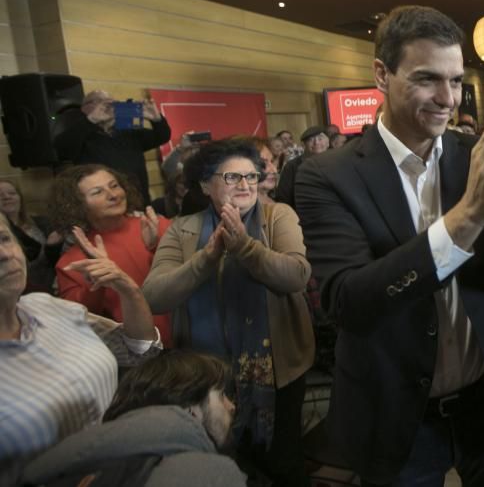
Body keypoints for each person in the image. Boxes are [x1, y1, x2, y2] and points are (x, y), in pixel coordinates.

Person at [294, 5, 484, 486]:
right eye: (427, 79)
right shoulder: (326, 175)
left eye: (456, 81)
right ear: (381, 73)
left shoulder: (474, 154)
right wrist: (469, 215)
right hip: (397, 413)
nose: (447, 98)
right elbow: (348, 302)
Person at [143, 139, 314, 487]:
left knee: (283, 463)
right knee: (222, 463)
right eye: (233, 177)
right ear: (206, 185)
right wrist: (206, 259)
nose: (246, 185)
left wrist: (244, 248)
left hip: (277, 370)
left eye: (252, 176)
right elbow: (155, 296)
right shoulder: (183, 228)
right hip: (206, 376)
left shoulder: (277, 216)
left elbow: (296, 276)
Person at [0, 213, 161, 485]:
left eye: (4, 238)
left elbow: (140, 350)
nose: (3, 254)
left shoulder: (48, 307)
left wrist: (127, 289)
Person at [22, 351, 245, 487]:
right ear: (190, 410)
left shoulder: (88, 469)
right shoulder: (204, 474)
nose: (231, 406)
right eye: (221, 395)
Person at [51, 164, 172, 345]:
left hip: (191, 339)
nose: (113, 195)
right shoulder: (73, 262)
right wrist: (96, 280)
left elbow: (194, 277)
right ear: (77, 204)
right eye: (98, 192)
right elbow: (80, 321)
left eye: (114, 185)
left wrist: (157, 248)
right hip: (137, 354)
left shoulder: (157, 226)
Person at [53, 90, 172, 204]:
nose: (110, 106)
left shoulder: (128, 131)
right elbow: (63, 150)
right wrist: (91, 120)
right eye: (101, 101)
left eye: (112, 102)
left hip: (138, 202)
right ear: (85, 108)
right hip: (102, 205)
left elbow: (162, 136)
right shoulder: (80, 133)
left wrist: (157, 120)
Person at [0, 179, 63, 293]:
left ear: (20, 198)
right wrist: (49, 248)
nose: (6, 197)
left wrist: (54, 246)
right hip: (25, 290)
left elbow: (59, 257)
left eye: (12, 193)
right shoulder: (3, 235)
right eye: (0, 195)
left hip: (54, 284)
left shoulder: (41, 222)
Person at [274, 125, 329, 209]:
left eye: (320, 138)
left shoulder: (336, 162)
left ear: (328, 142)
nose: (316, 142)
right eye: (311, 140)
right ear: (303, 145)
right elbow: (284, 198)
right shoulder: (292, 166)